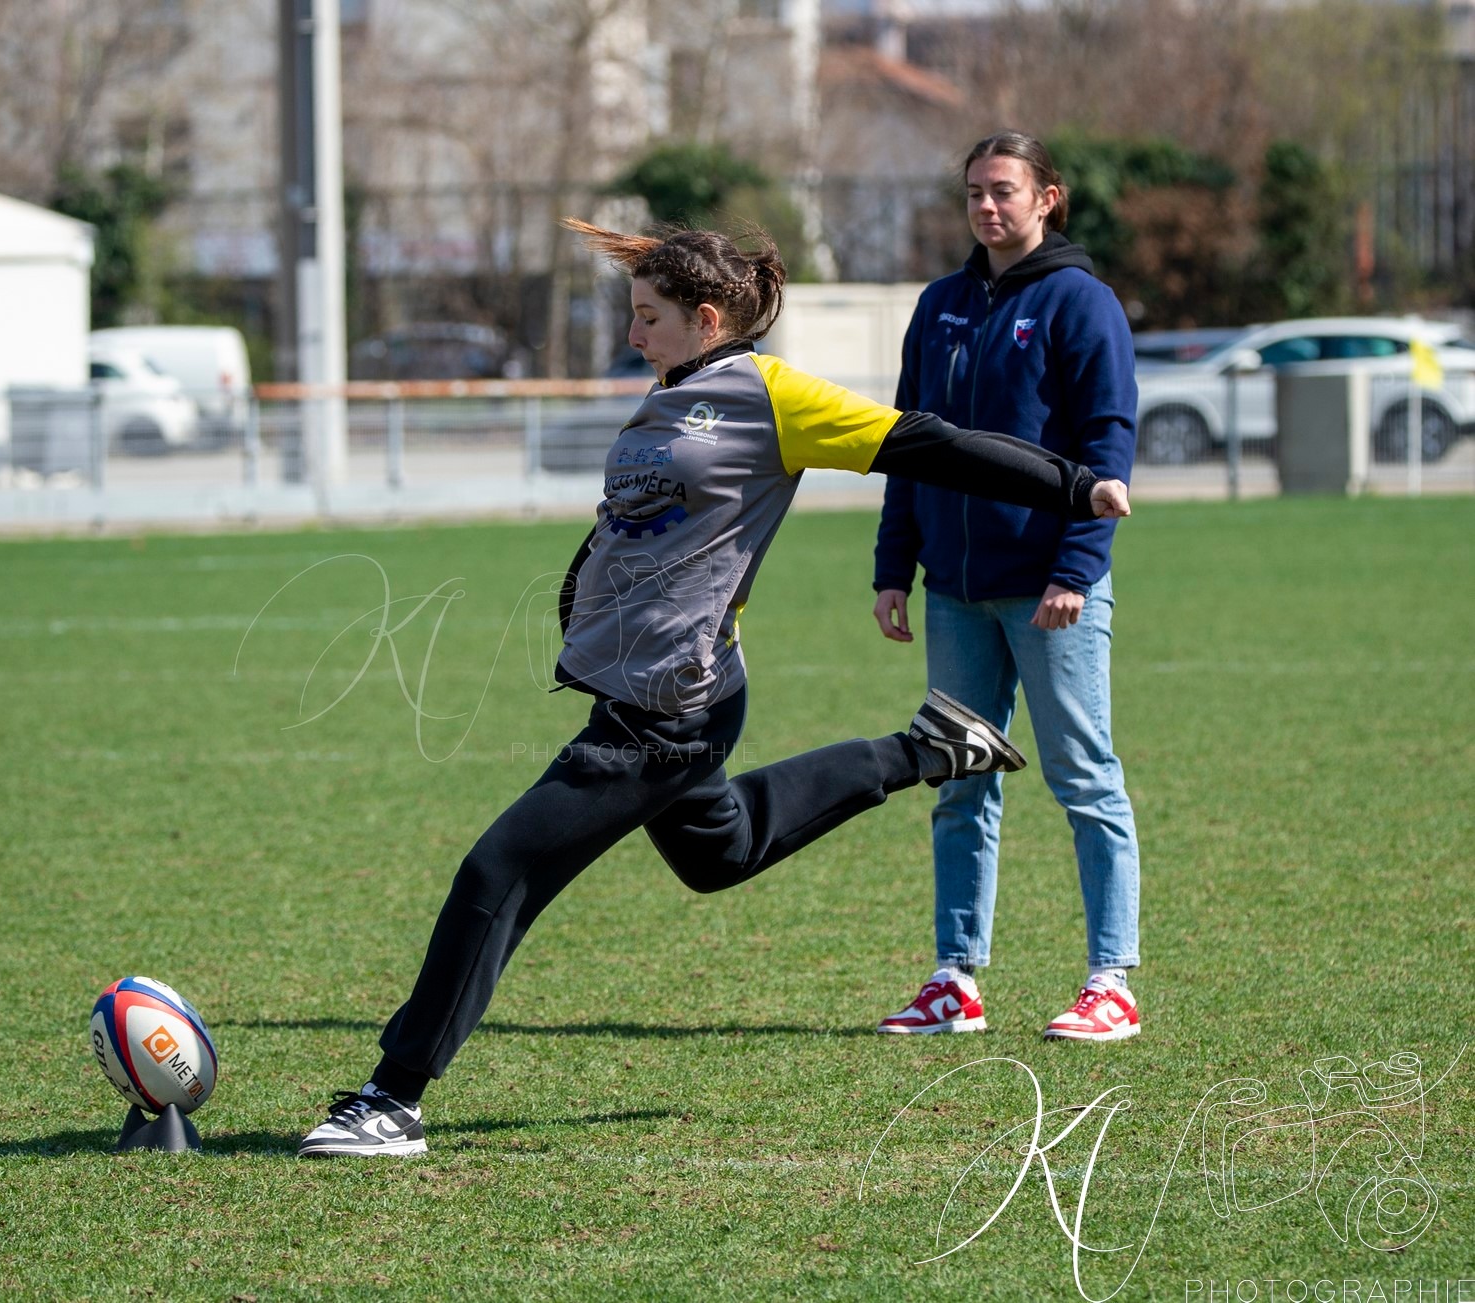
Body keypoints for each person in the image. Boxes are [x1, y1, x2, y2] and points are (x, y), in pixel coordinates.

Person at [297, 216, 1133, 1158]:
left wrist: (1072, 484)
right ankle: (927, 748)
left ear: (705, 317)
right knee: (721, 851)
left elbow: (924, 442)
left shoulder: (774, 396)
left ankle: (391, 1098)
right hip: (655, 687)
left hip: (669, 708)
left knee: (500, 870)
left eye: (647, 316)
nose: (631, 334)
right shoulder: (671, 391)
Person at [871, 131, 1143, 1042]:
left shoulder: (1082, 303)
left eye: (1005, 191)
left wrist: (1075, 569)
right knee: (958, 781)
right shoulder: (940, 305)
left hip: (1048, 591)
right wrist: (893, 568)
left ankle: (1112, 980)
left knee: (1083, 777)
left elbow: (1106, 450)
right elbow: (906, 445)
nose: (989, 207)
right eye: (976, 193)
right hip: (953, 589)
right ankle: (955, 980)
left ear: (1047, 198)